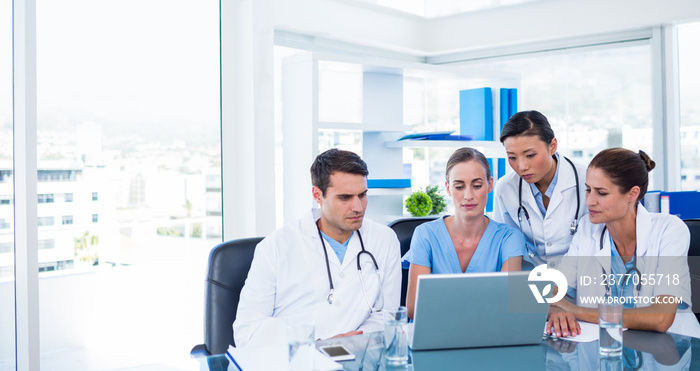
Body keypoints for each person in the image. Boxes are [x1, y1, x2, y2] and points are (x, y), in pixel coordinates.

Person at [233, 149, 401, 347]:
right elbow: (247, 330)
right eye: (345, 197)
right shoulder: (276, 247)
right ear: (318, 195)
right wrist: (313, 343)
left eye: (362, 195)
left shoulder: (384, 240)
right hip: (292, 361)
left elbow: (388, 317)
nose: (358, 207)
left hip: (358, 357)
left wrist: (353, 341)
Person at [546, 148, 700, 338]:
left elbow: (660, 319)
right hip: (607, 350)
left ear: (632, 194)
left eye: (601, 193)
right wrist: (556, 309)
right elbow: (550, 293)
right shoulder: (587, 228)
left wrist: (573, 310)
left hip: (669, 349)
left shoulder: (670, 230)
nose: (590, 201)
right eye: (588, 189)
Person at [403, 147, 526, 318]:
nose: (468, 195)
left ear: (490, 184)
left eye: (476, 186)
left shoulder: (509, 238)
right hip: (433, 337)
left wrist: (443, 303)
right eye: (459, 186)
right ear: (447, 188)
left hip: (487, 337)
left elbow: (507, 305)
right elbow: (414, 309)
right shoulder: (425, 235)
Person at [493, 110, 587, 268]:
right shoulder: (505, 189)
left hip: (581, 281)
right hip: (531, 282)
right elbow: (505, 245)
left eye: (530, 155)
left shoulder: (586, 180)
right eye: (512, 157)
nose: (521, 166)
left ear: (552, 146)